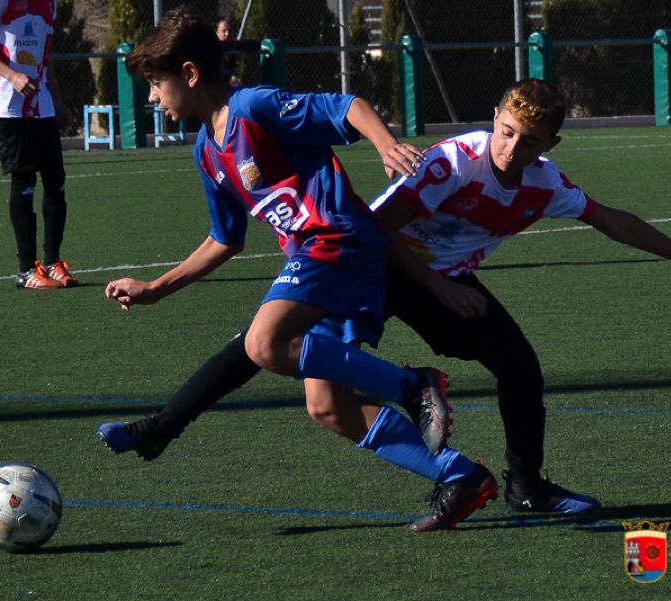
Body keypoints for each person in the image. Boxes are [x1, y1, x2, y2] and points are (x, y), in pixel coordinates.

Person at [100, 78, 671, 517]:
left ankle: (523, 486)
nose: (511, 147)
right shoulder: (453, 163)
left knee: (519, 365)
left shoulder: (544, 184)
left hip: (439, 284)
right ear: (494, 120)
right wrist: (439, 283)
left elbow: (613, 219)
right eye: (506, 130)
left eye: (529, 141)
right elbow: (376, 231)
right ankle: (167, 424)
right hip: (378, 269)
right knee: (282, 363)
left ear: (550, 147)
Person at [99, 7, 497, 533]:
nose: (152, 97)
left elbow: (348, 106)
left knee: (263, 343)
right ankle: (463, 476)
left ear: (190, 74)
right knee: (327, 406)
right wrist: (157, 287)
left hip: (339, 241)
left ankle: (412, 384)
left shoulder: (253, 107)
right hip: (313, 259)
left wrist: (386, 146)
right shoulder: (206, 152)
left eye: (155, 83)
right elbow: (225, 238)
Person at [0, 0, 78, 289]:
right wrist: (12, 75)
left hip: (42, 102)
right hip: (6, 104)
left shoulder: (50, 3)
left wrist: (58, 101)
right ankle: (26, 270)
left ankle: (52, 263)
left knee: (56, 180)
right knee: (24, 180)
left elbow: (45, 58)